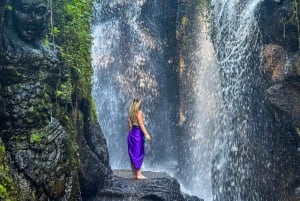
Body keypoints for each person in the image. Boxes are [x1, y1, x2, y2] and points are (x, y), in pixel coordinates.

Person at [127, 98, 151, 179]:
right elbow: (140, 123)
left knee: (133, 154)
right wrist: (146, 134)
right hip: (138, 134)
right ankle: (139, 174)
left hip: (131, 134)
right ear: (138, 104)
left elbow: (130, 126)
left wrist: (130, 135)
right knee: (138, 153)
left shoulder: (131, 113)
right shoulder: (139, 112)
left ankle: (134, 173)